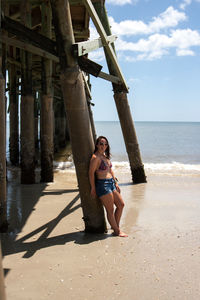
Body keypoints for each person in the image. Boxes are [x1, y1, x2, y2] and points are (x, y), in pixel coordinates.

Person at [89, 136, 128, 237]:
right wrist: (93, 187)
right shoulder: (95, 158)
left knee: (121, 205)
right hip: (103, 185)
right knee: (110, 210)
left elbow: (110, 170)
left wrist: (115, 182)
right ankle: (117, 231)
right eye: (101, 144)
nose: (103, 146)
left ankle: (116, 228)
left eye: (105, 144)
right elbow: (91, 173)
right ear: (97, 145)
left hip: (111, 183)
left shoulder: (105, 156)